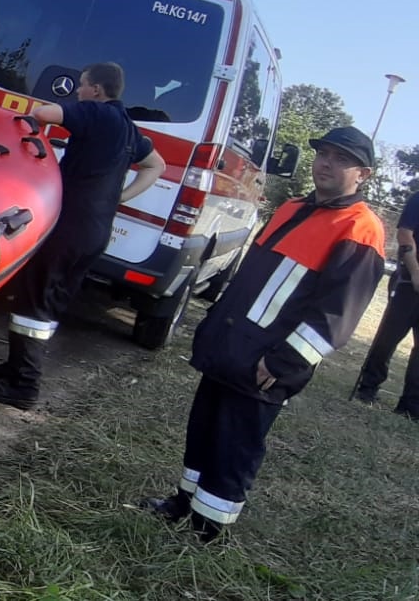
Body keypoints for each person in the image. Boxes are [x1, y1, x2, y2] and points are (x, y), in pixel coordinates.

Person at [139, 126, 386, 543]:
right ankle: (184, 502)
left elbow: (336, 317)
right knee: (203, 433)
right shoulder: (292, 207)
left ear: (363, 174)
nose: (326, 163)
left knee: (235, 446)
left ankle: (207, 530)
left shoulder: (361, 229)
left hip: (265, 365)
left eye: (341, 159)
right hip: (230, 347)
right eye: (324, 153)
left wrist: (284, 362)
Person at [0, 62, 166, 409]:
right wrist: (119, 197)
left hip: (70, 226)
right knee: (47, 299)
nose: (77, 91)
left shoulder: (96, 113)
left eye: (81, 85)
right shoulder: (128, 128)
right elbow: (157, 165)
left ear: (96, 90)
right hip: (95, 230)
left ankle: (25, 386)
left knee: (35, 301)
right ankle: (15, 368)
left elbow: (43, 113)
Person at [351, 188, 419, 418]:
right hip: (408, 282)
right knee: (388, 338)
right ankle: (368, 388)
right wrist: (415, 272)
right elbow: (405, 234)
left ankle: (411, 405)